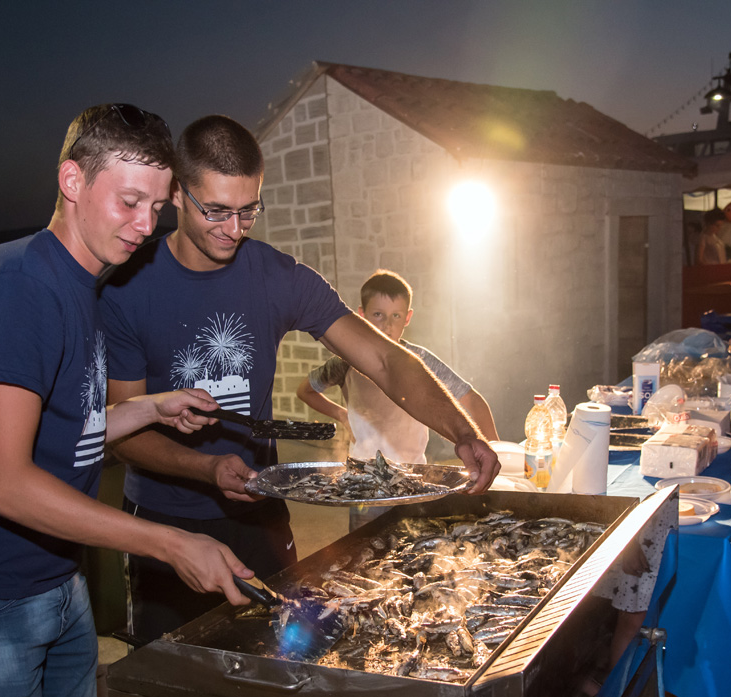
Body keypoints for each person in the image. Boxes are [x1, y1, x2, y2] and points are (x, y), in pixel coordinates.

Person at [0, 103, 256, 697]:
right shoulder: (21, 286)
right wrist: (169, 542)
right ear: (70, 179)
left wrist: (146, 408)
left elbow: (66, 429)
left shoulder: (82, 282)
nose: (145, 226)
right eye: (128, 201)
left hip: (56, 582)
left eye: (156, 206)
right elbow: (2, 482)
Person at [100, 115, 499, 643]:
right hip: (162, 519)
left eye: (248, 211)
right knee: (174, 676)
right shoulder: (129, 286)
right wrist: (207, 467)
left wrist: (463, 432)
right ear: (177, 192)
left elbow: (385, 360)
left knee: (282, 658)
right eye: (215, 210)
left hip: (257, 512)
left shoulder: (277, 276)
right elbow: (124, 430)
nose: (233, 229)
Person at [297, 269, 498, 527]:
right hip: (365, 485)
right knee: (363, 553)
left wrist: (493, 448)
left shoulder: (419, 363)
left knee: (413, 552)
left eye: (396, 316)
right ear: (361, 316)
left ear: (408, 318)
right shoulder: (344, 362)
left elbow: (472, 400)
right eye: (378, 315)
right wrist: (340, 414)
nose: (387, 325)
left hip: (414, 481)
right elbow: (306, 390)